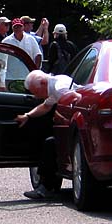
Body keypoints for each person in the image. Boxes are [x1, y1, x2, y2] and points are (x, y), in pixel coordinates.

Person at [16, 70, 78, 199]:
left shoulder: (60, 87)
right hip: (72, 129)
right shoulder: (54, 87)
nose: (37, 97)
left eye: (37, 92)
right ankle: (49, 186)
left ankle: (47, 187)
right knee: (49, 141)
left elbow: (72, 102)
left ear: (44, 82)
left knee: (50, 144)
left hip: (76, 130)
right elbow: (45, 106)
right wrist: (28, 116)